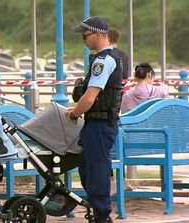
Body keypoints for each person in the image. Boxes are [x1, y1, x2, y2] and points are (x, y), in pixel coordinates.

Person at [67, 16, 123, 223]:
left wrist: (74, 114)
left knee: (96, 168)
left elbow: (90, 97)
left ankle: (101, 214)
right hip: (98, 122)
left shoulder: (103, 61)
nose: (83, 41)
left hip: (100, 123)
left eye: (85, 36)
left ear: (98, 35)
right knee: (88, 167)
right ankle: (99, 209)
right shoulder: (108, 59)